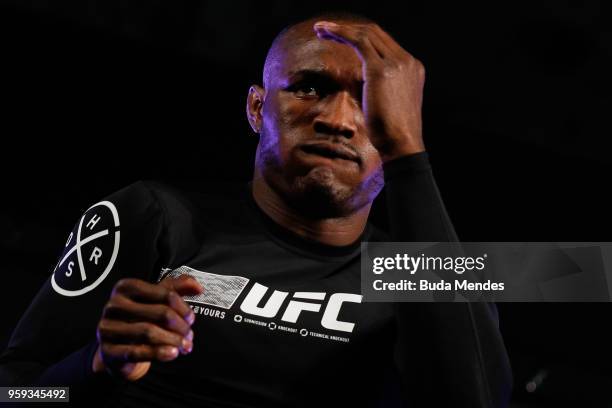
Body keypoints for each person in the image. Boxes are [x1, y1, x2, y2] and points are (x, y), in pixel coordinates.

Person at [0, 12, 512, 407]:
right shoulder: (155, 216)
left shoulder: (426, 275)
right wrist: (94, 365)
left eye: (369, 99)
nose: (338, 119)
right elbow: (17, 394)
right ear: (256, 107)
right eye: (309, 87)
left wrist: (409, 156)